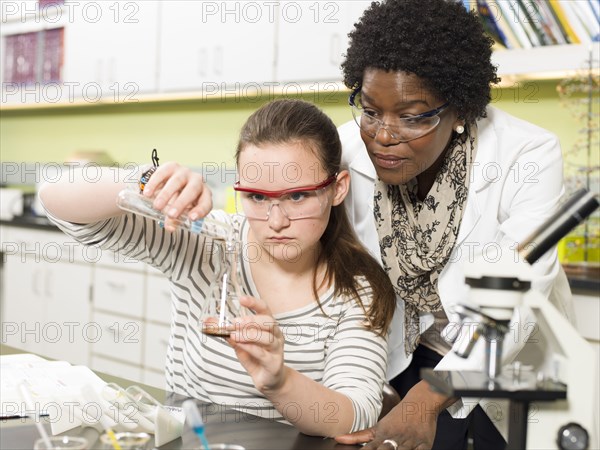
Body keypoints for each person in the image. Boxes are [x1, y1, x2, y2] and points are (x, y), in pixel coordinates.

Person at [39, 99, 396, 437]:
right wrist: (146, 184)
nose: (275, 221)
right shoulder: (209, 242)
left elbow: (354, 413)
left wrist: (280, 382)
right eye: (257, 197)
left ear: (337, 189)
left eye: (297, 196)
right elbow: (56, 201)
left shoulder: (357, 290)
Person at [333, 1, 573, 449]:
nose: (383, 134)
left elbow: (511, 301)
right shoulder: (346, 149)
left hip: (505, 356)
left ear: (459, 111)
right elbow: (280, 217)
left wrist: (428, 400)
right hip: (404, 347)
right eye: (370, 110)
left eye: (412, 116)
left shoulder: (528, 156)